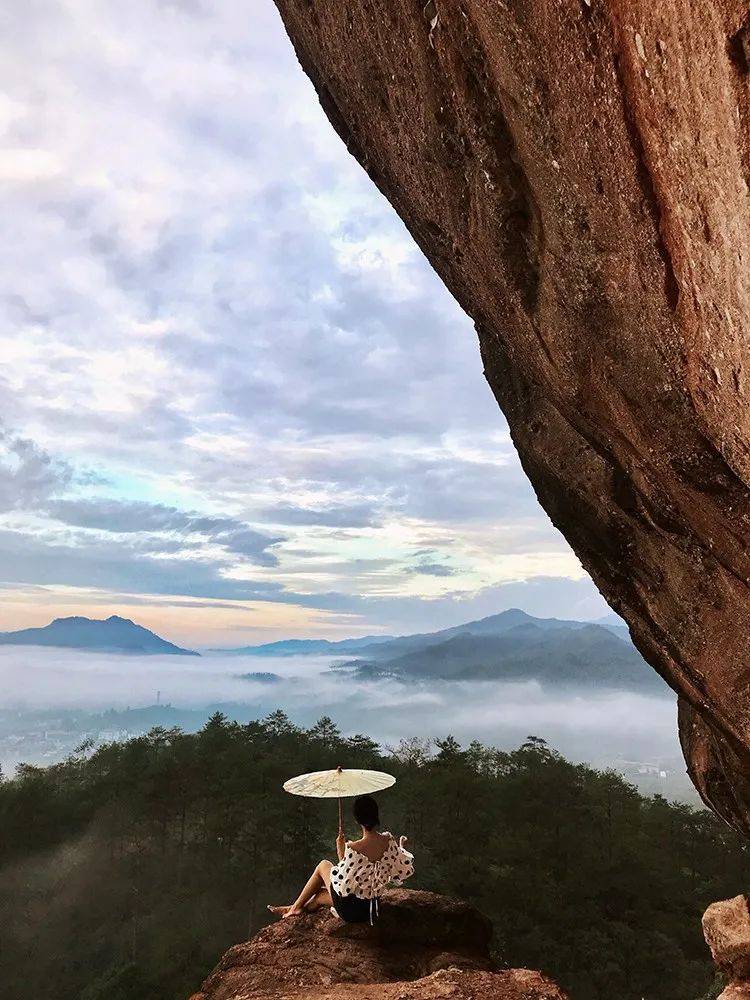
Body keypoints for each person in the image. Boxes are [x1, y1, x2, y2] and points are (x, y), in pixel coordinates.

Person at [268, 794, 414, 925]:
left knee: (324, 865)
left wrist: (341, 851)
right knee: (319, 896)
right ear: (376, 816)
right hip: (370, 907)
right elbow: (400, 867)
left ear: (358, 820)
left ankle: (295, 908)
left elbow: (343, 884)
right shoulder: (389, 841)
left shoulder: (354, 849)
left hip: (350, 912)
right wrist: (401, 845)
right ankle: (294, 908)